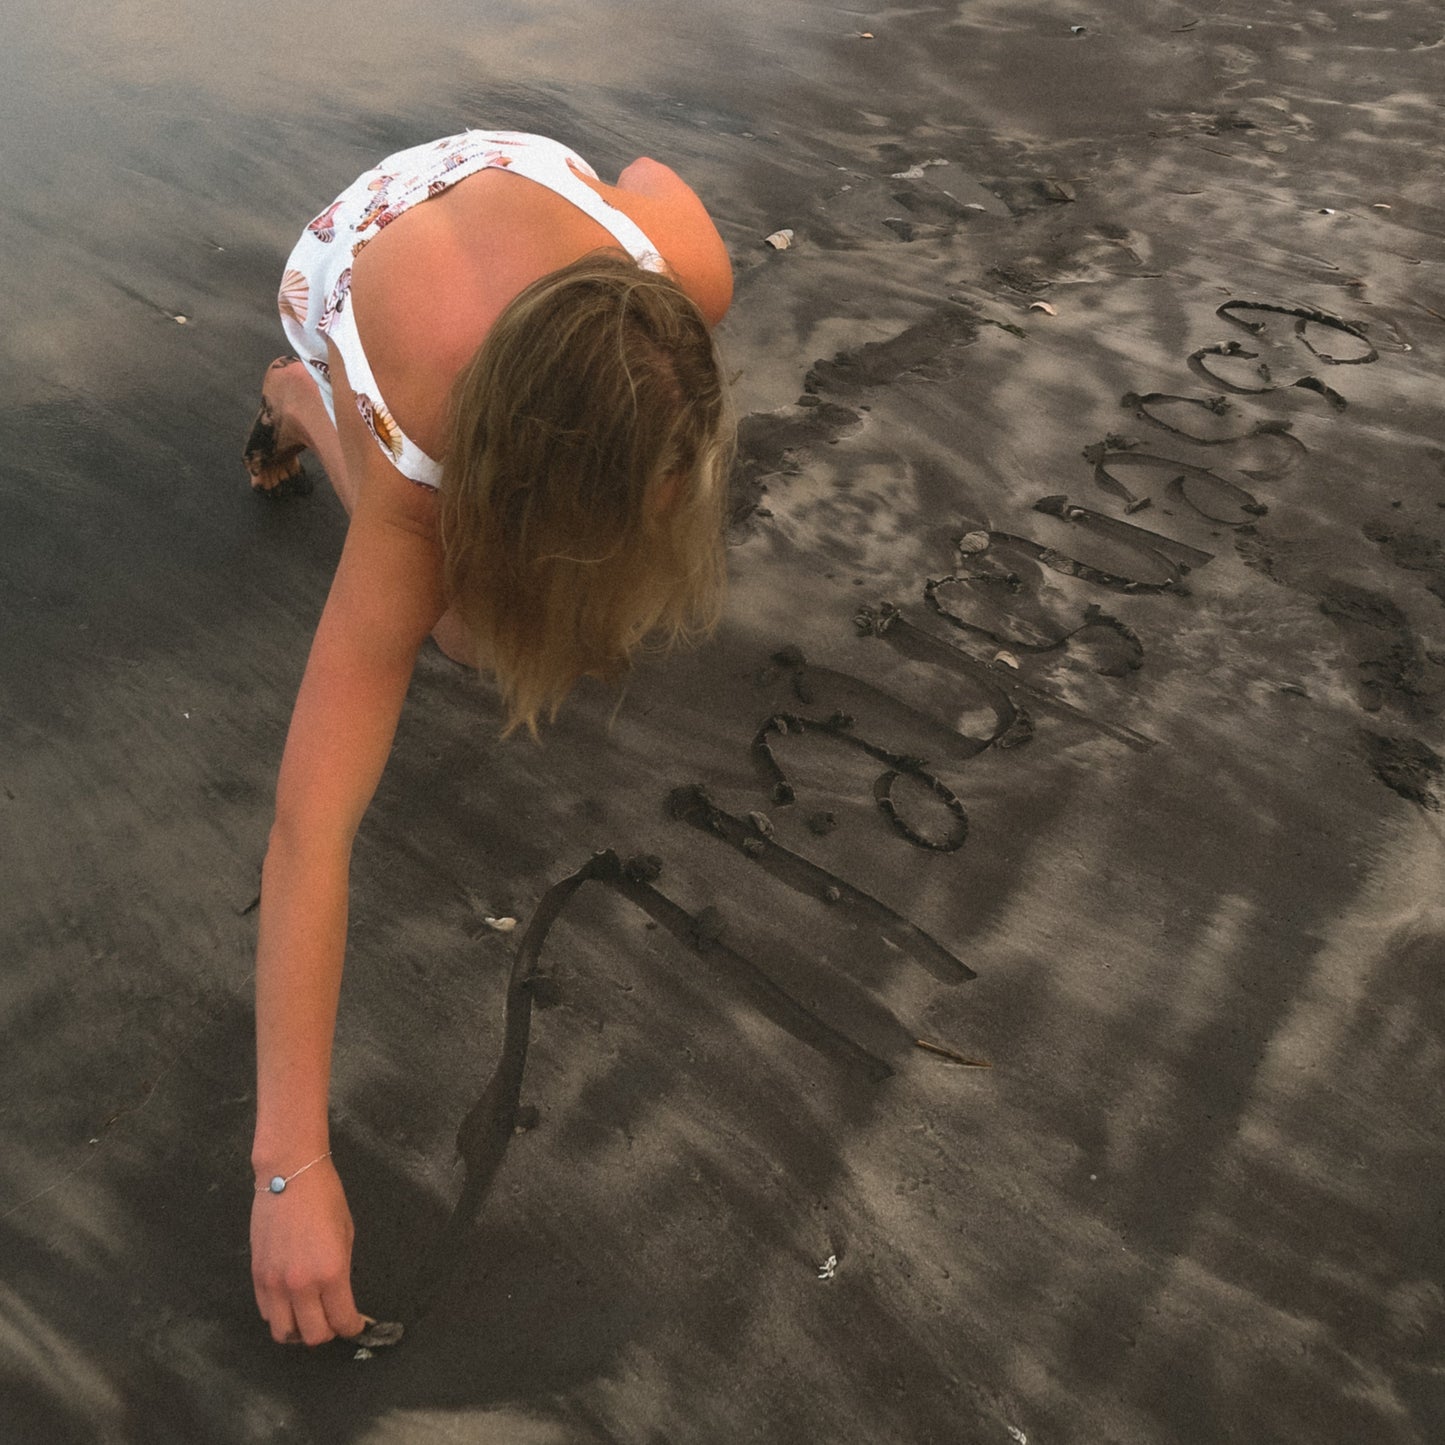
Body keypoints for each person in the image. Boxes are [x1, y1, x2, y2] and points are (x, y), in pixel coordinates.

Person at [243, 127, 735, 1347]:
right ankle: (298, 403)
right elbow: (311, 828)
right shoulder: (422, 463)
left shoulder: (684, 282)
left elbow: (650, 174)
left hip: (518, 186)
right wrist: (287, 1165)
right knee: (455, 631)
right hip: (354, 261)